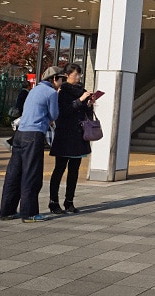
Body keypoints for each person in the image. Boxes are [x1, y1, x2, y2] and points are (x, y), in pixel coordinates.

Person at [0, 66, 66, 223]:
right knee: (31, 174)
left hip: (20, 134)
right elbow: (54, 114)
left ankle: (7, 210)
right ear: (54, 79)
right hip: (34, 135)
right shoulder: (51, 93)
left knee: (14, 174)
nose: (62, 82)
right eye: (61, 79)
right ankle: (29, 213)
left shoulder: (34, 90)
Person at [48, 63, 93, 215]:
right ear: (67, 75)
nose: (78, 78)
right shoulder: (63, 91)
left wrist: (89, 104)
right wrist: (80, 100)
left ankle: (69, 201)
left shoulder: (82, 90)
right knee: (59, 169)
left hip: (78, 135)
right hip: (65, 135)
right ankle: (53, 202)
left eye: (80, 75)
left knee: (74, 170)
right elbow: (63, 112)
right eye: (76, 75)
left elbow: (86, 114)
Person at [5, 81, 31, 149]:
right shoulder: (25, 93)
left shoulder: (21, 92)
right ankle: (10, 142)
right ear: (28, 86)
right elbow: (23, 105)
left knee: (20, 130)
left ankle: (12, 142)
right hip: (22, 114)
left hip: (20, 113)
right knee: (20, 130)